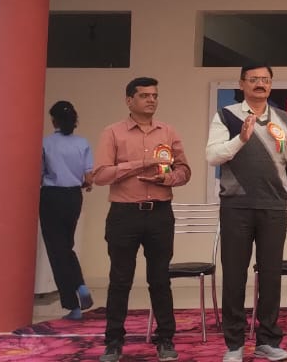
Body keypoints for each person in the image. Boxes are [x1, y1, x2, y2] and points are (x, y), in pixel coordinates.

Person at [206, 65, 287, 362]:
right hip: (236, 206)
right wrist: (241, 138)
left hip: (273, 205)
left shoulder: (283, 118)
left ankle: (268, 340)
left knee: (271, 275)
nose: (260, 84)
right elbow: (212, 156)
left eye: (265, 80)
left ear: (271, 84)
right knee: (234, 276)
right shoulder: (226, 115)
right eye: (254, 80)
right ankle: (234, 344)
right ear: (242, 84)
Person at [93, 77, 192, 362]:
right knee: (120, 280)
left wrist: (168, 178)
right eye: (145, 95)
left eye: (155, 96)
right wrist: (140, 164)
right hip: (124, 214)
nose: (151, 100)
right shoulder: (112, 132)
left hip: (160, 213)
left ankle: (166, 339)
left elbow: (184, 171)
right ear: (129, 100)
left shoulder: (168, 131)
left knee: (160, 279)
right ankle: (113, 342)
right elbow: (100, 175)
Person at [40, 100, 95, 320]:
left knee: (57, 251)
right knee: (67, 247)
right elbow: (89, 178)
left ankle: (73, 305)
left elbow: (39, 173)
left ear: (53, 120)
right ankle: (80, 285)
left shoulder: (46, 143)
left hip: (51, 196)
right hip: (74, 197)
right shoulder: (83, 143)